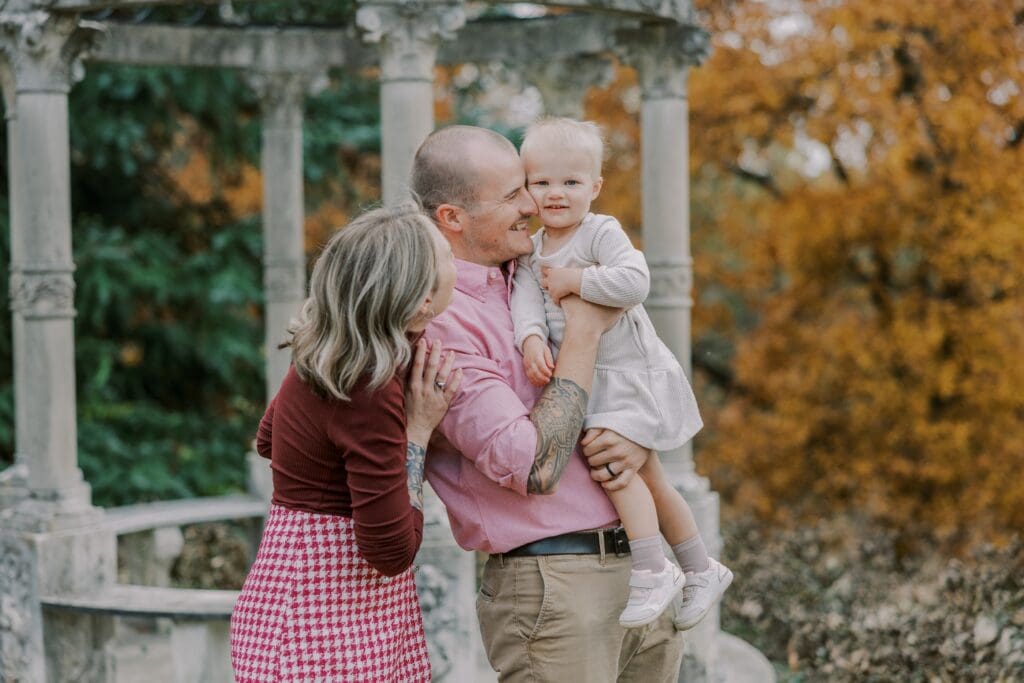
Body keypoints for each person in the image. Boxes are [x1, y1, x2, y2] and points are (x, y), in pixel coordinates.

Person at [411, 125, 683, 682]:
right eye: (513, 194)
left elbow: (636, 365)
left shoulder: (541, 266)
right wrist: (582, 330)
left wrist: (633, 434)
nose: (533, 204)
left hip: (644, 566)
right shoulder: (442, 321)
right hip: (554, 585)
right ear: (452, 218)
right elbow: (531, 466)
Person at [511, 117, 733, 629]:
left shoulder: (600, 231)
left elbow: (635, 281)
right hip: (589, 379)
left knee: (615, 468)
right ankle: (700, 567)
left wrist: (577, 280)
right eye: (541, 182)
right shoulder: (532, 251)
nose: (555, 194)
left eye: (570, 182)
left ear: (595, 187)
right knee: (646, 474)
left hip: (629, 373)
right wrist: (529, 338)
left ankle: (654, 569)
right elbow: (525, 301)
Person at [230, 204, 462, 683]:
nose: (457, 261)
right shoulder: (370, 387)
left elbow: (268, 439)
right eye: (447, 257)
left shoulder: (327, 349)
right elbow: (391, 551)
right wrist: (416, 432)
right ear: (420, 301)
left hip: (292, 599)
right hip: (323, 627)